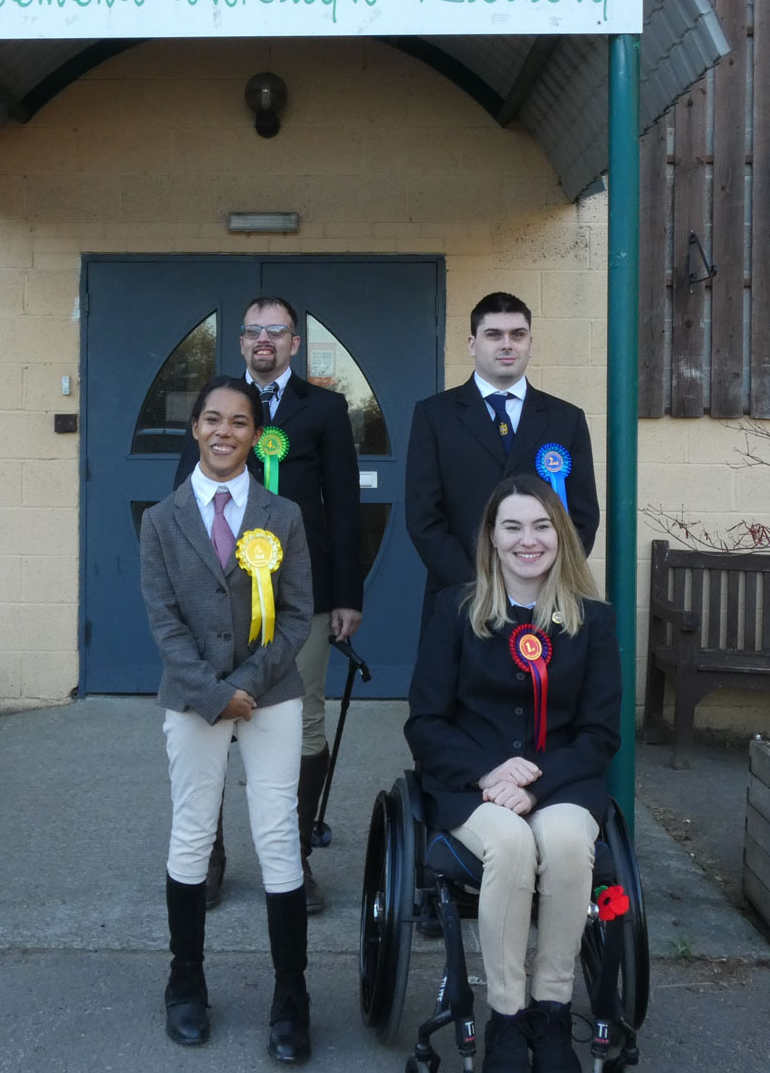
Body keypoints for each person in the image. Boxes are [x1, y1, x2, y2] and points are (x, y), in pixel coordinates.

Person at [404, 474, 622, 1073]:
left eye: (542, 526)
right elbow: (425, 722)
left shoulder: (594, 621)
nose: (529, 540)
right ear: (492, 539)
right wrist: (488, 774)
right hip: (472, 785)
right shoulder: (455, 610)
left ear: (561, 535)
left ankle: (551, 1011)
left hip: (563, 781)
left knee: (568, 843)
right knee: (510, 844)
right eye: (513, 527)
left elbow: (600, 734)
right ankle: (505, 1015)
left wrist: (535, 781)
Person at [141, 375, 314, 1062]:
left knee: (278, 836)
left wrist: (245, 684)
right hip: (193, 698)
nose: (224, 432)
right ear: (195, 429)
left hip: (271, 694)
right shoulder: (161, 520)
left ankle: (292, 994)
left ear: (255, 435)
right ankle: (185, 981)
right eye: (212, 419)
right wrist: (214, 694)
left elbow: (297, 613)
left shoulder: (283, 514)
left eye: (239, 422)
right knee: (191, 832)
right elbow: (164, 623)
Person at [174, 295, 363, 913]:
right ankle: (209, 857)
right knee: (211, 715)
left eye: (276, 331)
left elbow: (344, 505)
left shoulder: (326, 409)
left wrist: (348, 594)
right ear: (240, 342)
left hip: (302, 599)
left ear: (294, 343)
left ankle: (294, 855)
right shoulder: (217, 406)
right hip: (217, 598)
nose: (264, 339)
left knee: (301, 720)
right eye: (253, 330)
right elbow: (183, 500)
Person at [405, 291, 599, 642]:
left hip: (546, 603)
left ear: (530, 344)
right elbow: (423, 518)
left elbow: (583, 517)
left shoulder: (566, 419)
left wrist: (540, 579)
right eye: (494, 334)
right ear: (472, 344)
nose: (507, 344)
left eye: (517, 335)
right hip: (461, 598)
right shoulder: (434, 415)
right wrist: (480, 585)